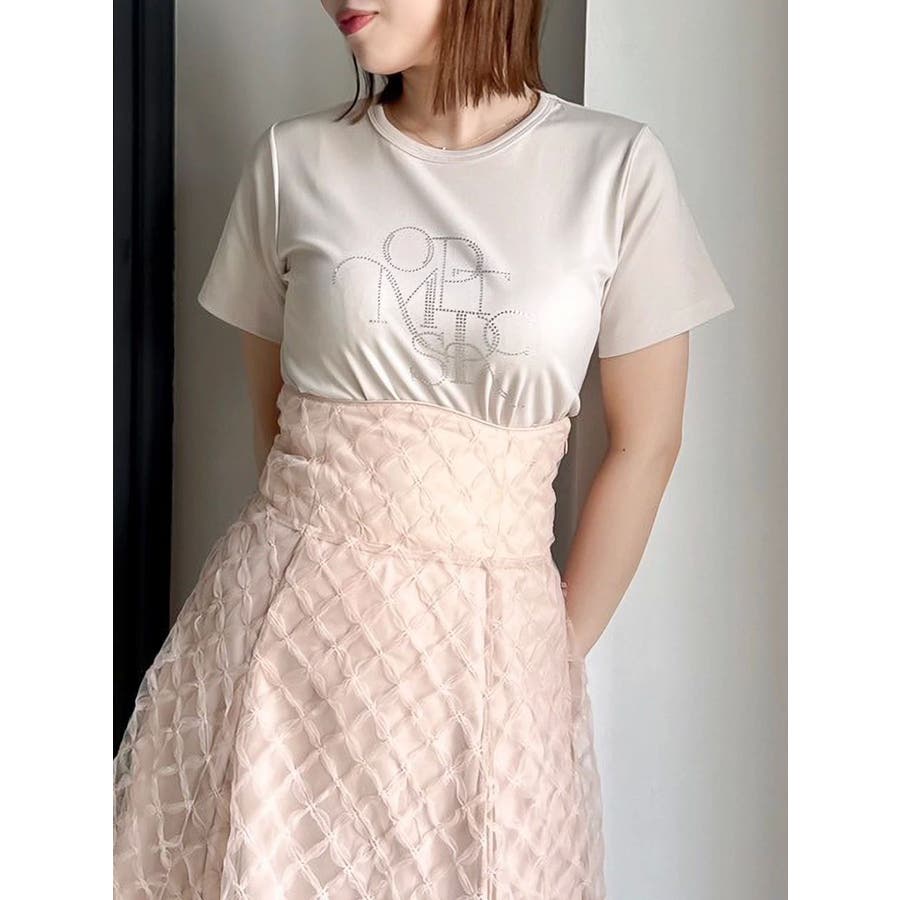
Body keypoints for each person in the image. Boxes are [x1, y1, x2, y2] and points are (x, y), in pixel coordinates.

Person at [113, 0, 735, 897]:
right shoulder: (293, 161)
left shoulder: (617, 168)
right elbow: (280, 427)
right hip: (285, 657)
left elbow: (649, 442)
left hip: (493, 664)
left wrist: (552, 652)